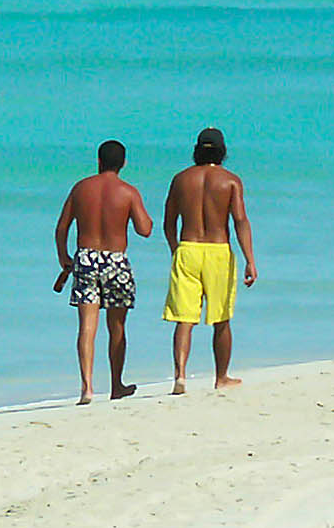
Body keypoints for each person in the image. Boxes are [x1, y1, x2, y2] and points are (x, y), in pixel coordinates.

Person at [53, 140, 153, 405]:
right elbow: (145, 229)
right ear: (123, 164)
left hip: (85, 257)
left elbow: (62, 228)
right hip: (115, 260)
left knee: (87, 326)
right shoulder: (128, 191)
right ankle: (116, 384)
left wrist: (63, 257)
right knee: (117, 325)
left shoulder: (81, 188)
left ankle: (86, 387)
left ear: (98, 161)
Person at [162, 126, 256, 393]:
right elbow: (240, 220)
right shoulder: (230, 180)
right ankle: (221, 377)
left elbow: (168, 222)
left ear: (196, 150)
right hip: (218, 251)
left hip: (188, 248)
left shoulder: (181, 179)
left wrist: (175, 249)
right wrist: (250, 259)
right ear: (222, 151)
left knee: (184, 319)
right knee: (222, 319)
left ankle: (180, 376)